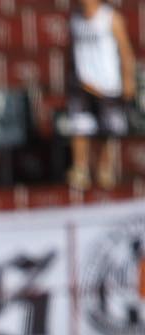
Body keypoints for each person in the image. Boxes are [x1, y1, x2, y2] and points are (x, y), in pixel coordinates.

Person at [66, 0, 137, 191]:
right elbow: (71, 51)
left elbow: (125, 50)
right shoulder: (75, 19)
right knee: (79, 128)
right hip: (83, 84)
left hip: (108, 84)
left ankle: (104, 169)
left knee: (108, 131)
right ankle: (80, 169)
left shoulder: (110, 18)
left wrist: (128, 78)